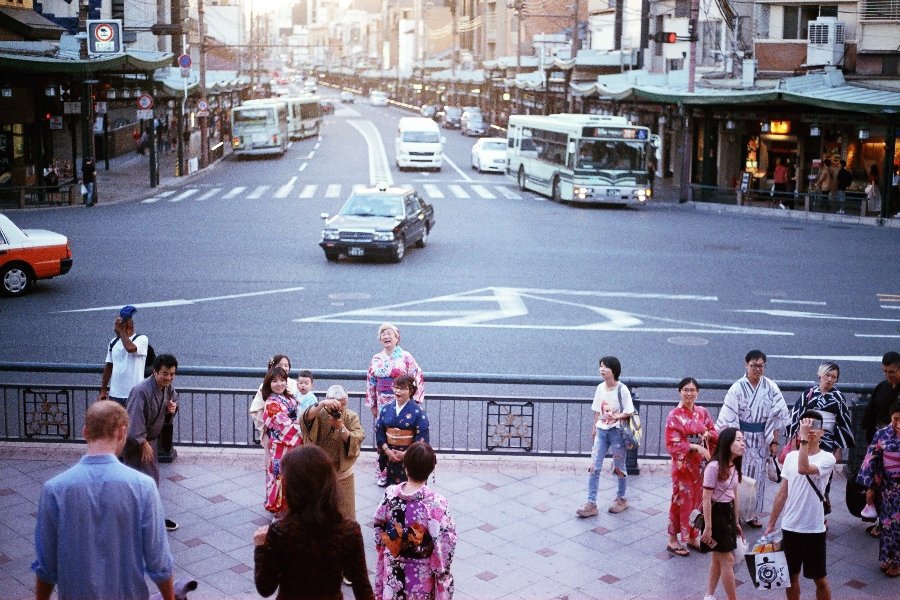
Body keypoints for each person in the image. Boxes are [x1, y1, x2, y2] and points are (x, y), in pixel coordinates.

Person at [32, 400, 175, 600]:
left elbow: (46, 565)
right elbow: (158, 561)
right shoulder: (143, 487)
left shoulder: (54, 490)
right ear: (121, 433)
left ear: (85, 433)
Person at [253, 445, 374, 600]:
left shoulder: (280, 532)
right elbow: (362, 589)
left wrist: (260, 548)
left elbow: (265, 588)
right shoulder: (349, 531)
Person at [373, 441, 457, 600]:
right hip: (421, 575)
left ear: (405, 466)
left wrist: (391, 547)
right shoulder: (436, 503)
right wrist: (441, 568)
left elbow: (379, 525)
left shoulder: (390, 494)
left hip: (393, 569)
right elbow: (447, 542)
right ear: (432, 469)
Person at [765, 412, 836, 600]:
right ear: (798, 431)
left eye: (815, 427)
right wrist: (771, 523)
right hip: (790, 526)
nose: (811, 431)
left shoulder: (827, 458)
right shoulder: (790, 457)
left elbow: (803, 468)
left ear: (822, 432)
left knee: (820, 579)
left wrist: (803, 440)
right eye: (806, 427)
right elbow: (782, 493)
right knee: (790, 576)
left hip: (814, 528)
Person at [716, 349, 788, 528]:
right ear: (746, 365)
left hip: (763, 437)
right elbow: (729, 416)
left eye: (761, 366)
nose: (757, 369)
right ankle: (736, 514)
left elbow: (777, 417)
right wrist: (734, 441)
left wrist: (774, 441)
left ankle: (752, 514)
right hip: (741, 436)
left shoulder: (771, 387)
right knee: (738, 475)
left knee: (759, 478)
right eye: (754, 365)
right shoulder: (737, 388)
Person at [665, 377, 718, 556]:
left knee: (698, 500)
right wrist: (695, 446)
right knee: (679, 500)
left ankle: (694, 535)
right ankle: (673, 539)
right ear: (679, 392)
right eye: (685, 390)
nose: (689, 393)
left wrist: (708, 435)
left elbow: (713, 431)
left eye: (692, 390)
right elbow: (673, 443)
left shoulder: (702, 412)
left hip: (700, 466)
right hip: (683, 466)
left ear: (697, 392)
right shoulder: (674, 415)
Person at [366, 323, 425, 486]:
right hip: (383, 400)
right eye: (383, 333)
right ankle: (383, 470)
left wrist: (415, 399)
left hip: (403, 399)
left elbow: (417, 376)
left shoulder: (406, 357)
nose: (386, 336)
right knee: (383, 435)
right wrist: (373, 403)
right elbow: (371, 381)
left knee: (405, 435)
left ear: (397, 337)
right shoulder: (376, 359)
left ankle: (408, 469)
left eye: (389, 333)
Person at [577, 356, 634, 517]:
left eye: (605, 367)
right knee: (594, 466)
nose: (602, 369)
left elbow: (629, 411)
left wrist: (616, 417)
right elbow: (597, 410)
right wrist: (595, 426)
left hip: (617, 432)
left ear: (614, 370)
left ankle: (621, 498)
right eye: (600, 366)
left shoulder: (621, 389)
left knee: (619, 467)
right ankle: (591, 502)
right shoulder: (600, 387)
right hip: (602, 431)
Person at [302, 384, 365, 521]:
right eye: (335, 404)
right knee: (319, 510)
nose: (339, 408)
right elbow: (305, 418)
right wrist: (323, 404)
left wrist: (341, 427)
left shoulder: (351, 416)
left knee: (345, 512)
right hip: (320, 470)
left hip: (342, 471)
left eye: (342, 405)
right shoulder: (318, 413)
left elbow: (358, 437)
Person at [856, 400, 900, 578]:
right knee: (887, 524)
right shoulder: (882, 434)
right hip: (887, 487)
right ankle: (889, 557)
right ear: (891, 417)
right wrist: (870, 488)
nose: (898, 424)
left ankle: (897, 562)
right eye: (896, 419)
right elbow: (871, 461)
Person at [700, 427, 745, 600]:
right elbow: (706, 498)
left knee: (717, 559)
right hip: (715, 514)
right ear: (727, 443)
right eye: (738, 440)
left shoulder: (734, 465)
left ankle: (709, 595)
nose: (742, 444)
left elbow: (735, 493)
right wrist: (708, 527)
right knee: (727, 560)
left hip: (728, 513)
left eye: (743, 440)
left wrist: (736, 520)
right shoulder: (714, 467)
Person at [786, 362, 854, 463]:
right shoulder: (808, 394)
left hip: (827, 440)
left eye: (833, 377)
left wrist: (838, 448)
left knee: (823, 471)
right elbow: (796, 417)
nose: (829, 379)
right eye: (827, 375)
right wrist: (792, 440)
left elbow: (843, 424)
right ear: (820, 375)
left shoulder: (838, 398)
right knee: (803, 467)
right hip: (807, 436)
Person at [261, 365, 303, 515]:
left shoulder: (290, 398)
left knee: (293, 477)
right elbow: (284, 426)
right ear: (268, 384)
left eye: (282, 380)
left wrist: (300, 423)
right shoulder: (271, 403)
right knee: (280, 477)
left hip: (293, 445)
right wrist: (303, 432)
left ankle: (292, 507)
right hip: (281, 447)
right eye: (274, 381)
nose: (279, 384)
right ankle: (280, 510)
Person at [375, 375, 429, 487]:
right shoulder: (386, 409)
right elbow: (379, 430)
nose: (397, 391)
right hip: (390, 455)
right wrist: (387, 451)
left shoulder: (418, 412)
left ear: (411, 391)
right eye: (396, 387)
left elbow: (422, 438)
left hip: (409, 458)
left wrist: (405, 454)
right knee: (392, 490)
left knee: (409, 487)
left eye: (402, 388)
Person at [99, 305, 149, 406]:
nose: (114, 329)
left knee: (133, 422)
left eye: (117, 326)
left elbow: (130, 348)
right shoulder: (113, 342)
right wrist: (103, 390)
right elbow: (109, 366)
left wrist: (122, 331)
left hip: (135, 394)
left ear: (128, 326)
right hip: (115, 394)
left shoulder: (141, 339)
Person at [249, 354, 299, 444]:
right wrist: (269, 425)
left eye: (286, 365)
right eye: (280, 365)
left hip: (294, 428)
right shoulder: (266, 387)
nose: (284, 368)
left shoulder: (295, 384)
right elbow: (255, 410)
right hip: (275, 432)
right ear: (273, 367)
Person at [863, 352, 900, 445]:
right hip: (877, 436)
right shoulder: (882, 386)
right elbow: (870, 412)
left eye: (891, 372)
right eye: (885, 371)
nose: (887, 375)